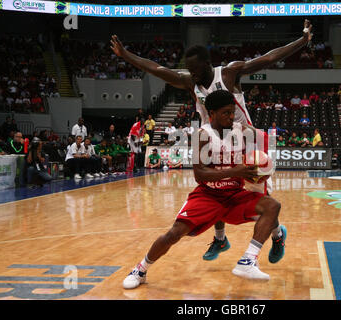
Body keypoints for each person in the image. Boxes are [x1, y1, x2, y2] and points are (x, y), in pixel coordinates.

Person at [111, 19, 311, 261]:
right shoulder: (190, 82)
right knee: (214, 189)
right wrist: (125, 54)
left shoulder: (228, 73)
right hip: (215, 142)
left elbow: (268, 58)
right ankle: (220, 239)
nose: (192, 74)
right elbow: (157, 69)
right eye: (189, 70)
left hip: (245, 141)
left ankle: (278, 235)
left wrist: (302, 41)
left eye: (195, 69)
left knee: (260, 196)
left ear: (207, 64)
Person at [122, 90, 285, 289]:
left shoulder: (242, 131)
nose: (232, 117)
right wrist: (238, 170)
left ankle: (248, 261)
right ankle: (140, 269)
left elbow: (263, 143)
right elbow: (200, 175)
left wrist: (262, 167)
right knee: (174, 234)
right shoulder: (203, 136)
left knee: (272, 206)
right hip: (208, 196)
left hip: (235, 195)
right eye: (226, 113)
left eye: (233, 112)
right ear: (211, 113)